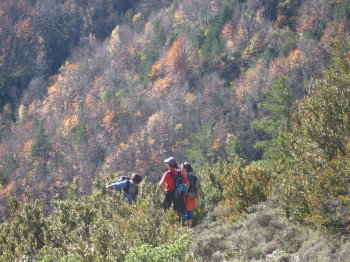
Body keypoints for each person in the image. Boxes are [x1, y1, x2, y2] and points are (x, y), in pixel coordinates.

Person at [158, 157, 189, 223]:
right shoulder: (180, 173)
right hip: (179, 196)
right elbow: (187, 183)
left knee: (168, 214)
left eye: (167, 164)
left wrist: (164, 192)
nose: (166, 165)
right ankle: (180, 227)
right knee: (179, 213)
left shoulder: (167, 174)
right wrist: (185, 191)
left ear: (169, 165)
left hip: (170, 196)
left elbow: (160, 184)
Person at [182, 162, 196, 227]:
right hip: (192, 196)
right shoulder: (193, 176)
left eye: (182, 168)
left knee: (188, 212)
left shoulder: (185, 177)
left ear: (185, 169)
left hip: (187, 197)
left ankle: (190, 227)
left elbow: (185, 188)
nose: (181, 169)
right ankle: (190, 226)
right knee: (189, 212)